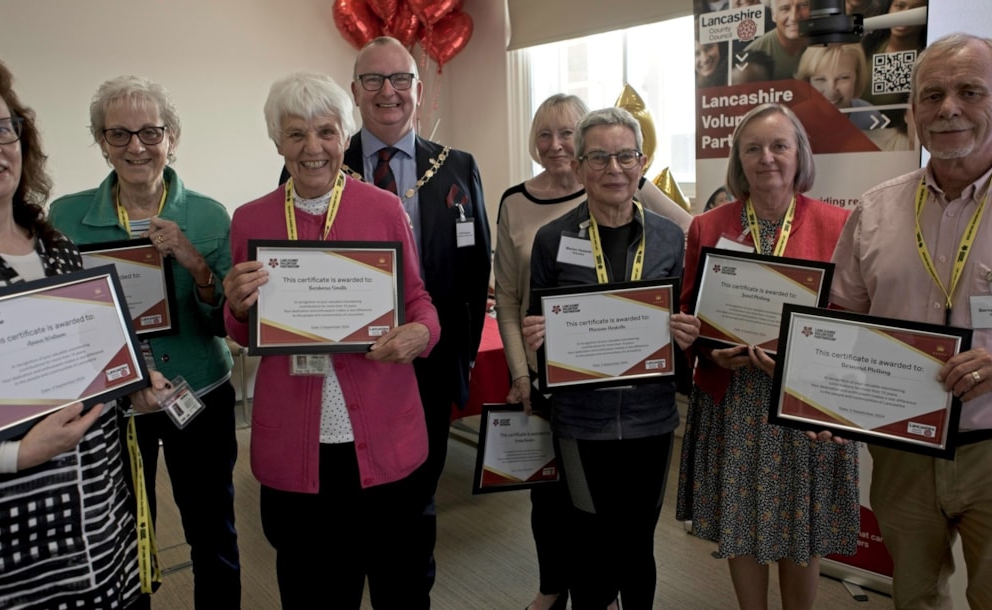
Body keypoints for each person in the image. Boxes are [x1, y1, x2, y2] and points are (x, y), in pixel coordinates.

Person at [828, 33, 992, 609]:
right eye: (932, 95)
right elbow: (841, 317)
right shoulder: (874, 211)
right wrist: (823, 394)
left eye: (970, 91)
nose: (948, 107)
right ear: (913, 111)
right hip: (901, 452)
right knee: (914, 598)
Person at [0, 52, 166, 610]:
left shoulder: (60, 251)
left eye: (2, 129)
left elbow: (87, 371)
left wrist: (131, 383)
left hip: (99, 532)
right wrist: (14, 455)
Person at [226, 71, 440, 609]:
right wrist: (233, 305)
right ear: (278, 142)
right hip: (297, 443)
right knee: (313, 589)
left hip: (385, 434)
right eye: (296, 134)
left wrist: (420, 333)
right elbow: (241, 331)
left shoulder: (382, 209)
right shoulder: (251, 220)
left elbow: (419, 303)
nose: (312, 147)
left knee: (401, 585)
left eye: (325, 132)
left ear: (345, 138)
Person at [47, 76, 241, 609]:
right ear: (101, 141)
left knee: (212, 528)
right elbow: (59, 317)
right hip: (111, 402)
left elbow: (226, 320)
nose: (137, 146)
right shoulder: (65, 217)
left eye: (151, 132)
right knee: (124, 532)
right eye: (119, 134)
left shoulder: (207, 214)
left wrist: (194, 262)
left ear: (172, 137)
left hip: (197, 390)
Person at [495, 94, 689, 610]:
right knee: (591, 539)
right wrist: (538, 343)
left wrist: (685, 334)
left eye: (626, 156)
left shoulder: (670, 237)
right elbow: (534, 314)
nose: (614, 169)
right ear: (579, 167)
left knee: (639, 543)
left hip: (651, 418)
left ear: (642, 164)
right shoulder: (552, 239)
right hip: (582, 421)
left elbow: (684, 326)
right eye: (599, 157)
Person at [676, 103, 859, 610]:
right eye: (752, 148)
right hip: (732, 399)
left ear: (799, 154)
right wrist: (713, 354)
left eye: (779, 145)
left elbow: (850, 319)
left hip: (803, 401)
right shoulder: (708, 226)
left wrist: (801, 361)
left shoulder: (838, 225)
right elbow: (692, 315)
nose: (767, 158)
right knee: (741, 518)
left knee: (800, 522)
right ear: (738, 159)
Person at [345, 35, 491, 592]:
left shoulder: (457, 167)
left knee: (415, 504)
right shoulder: (320, 164)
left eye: (400, 79)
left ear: (418, 89)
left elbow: (477, 274)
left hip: (430, 364)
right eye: (374, 80)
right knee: (355, 496)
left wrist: (462, 358)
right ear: (355, 91)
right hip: (353, 365)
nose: (389, 92)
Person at [795, 45, 887, 130]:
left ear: (857, 77)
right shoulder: (794, 120)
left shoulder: (870, 117)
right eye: (820, 79)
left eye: (843, 78)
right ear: (807, 81)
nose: (831, 90)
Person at [859, 0, 927, 107]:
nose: (904, 15)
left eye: (916, 9)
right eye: (900, 6)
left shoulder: (922, 61)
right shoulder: (869, 44)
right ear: (889, 8)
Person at [744, 0, 812, 81]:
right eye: (785, 9)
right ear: (773, 14)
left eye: (802, 6)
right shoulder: (751, 56)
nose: (794, 17)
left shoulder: (826, 44)